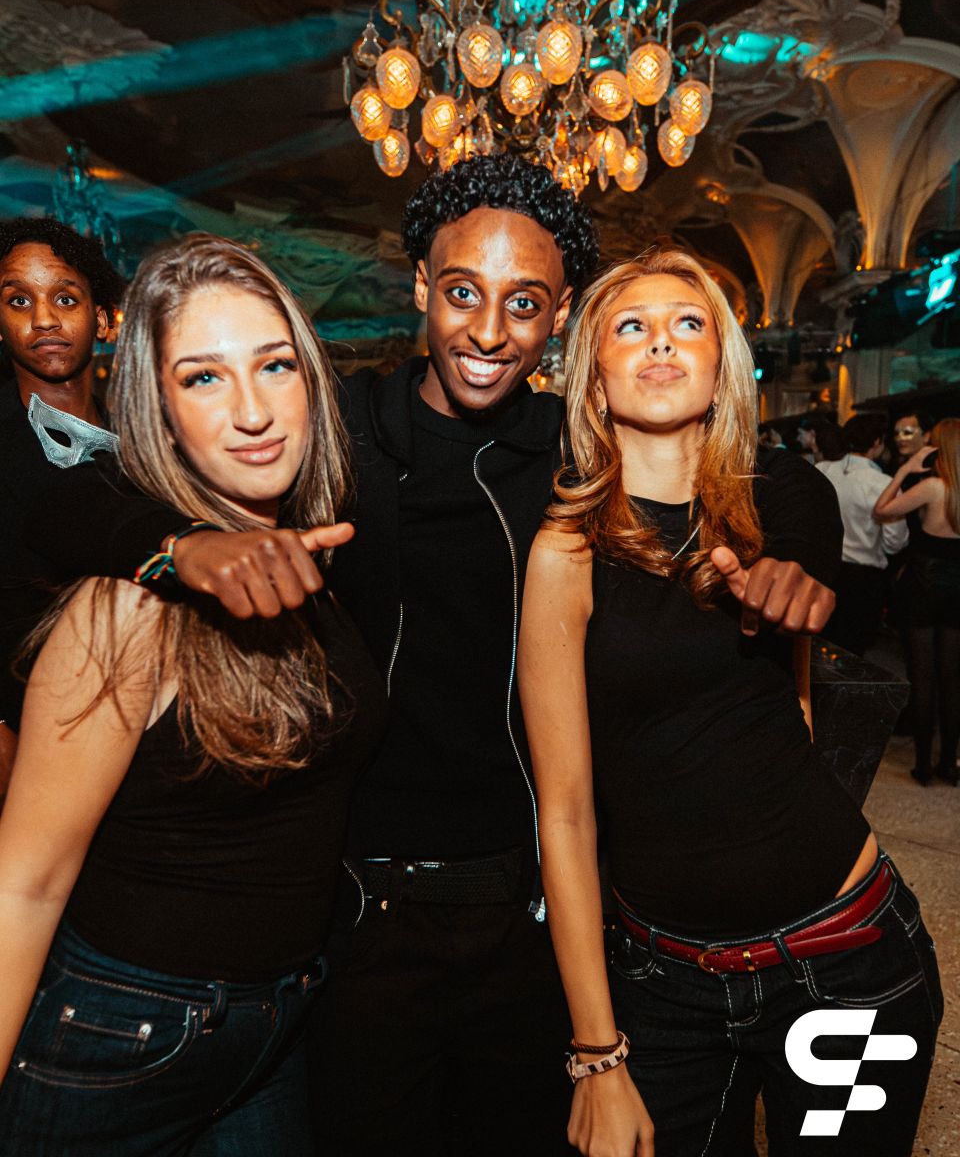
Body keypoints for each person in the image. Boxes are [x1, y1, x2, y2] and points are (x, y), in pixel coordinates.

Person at [22, 158, 841, 1154]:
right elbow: (73, 502)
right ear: (420, 286)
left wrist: (803, 557)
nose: (488, 332)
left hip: (533, 902)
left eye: (523, 303)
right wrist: (180, 545)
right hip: (362, 912)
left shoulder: (579, 451)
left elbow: (769, 474)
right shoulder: (336, 430)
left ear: (558, 316)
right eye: (461, 292)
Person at [519, 250, 942, 1157]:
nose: (661, 342)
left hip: (847, 962)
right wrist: (596, 1054)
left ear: (721, 369)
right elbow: (566, 812)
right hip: (663, 984)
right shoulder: (566, 551)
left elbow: (803, 541)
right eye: (632, 326)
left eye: (689, 324)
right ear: (593, 374)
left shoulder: (770, 511)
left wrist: (797, 577)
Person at [0, 233, 385, 1154]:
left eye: (275, 365)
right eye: (204, 378)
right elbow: (26, 883)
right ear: (161, 413)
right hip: (121, 1031)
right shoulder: (123, 608)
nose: (253, 411)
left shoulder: (313, 561)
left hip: (275, 1028)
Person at [0, 218, 124, 786]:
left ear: (102, 319)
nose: (44, 319)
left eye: (66, 298)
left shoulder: (150, 447)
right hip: (30, 752)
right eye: (19, 300)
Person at [874, 419, 960, 786]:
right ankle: (949, 765)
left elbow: (882, 510)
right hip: (957, 592)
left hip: (923, 587)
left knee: (922, 677)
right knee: (952, 679)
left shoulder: (932, 487)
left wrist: (905, 469)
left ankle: (923, 766)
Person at [819, 413, 908, 655]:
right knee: (854, 649)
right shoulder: (883, 484)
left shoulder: (823, 470)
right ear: (877, 442)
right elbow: (894, 542)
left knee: (822, 644)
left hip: (825, 569)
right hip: (863, 580)